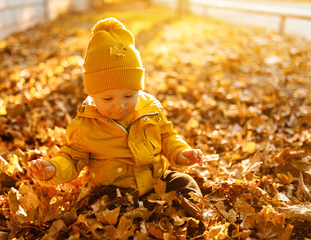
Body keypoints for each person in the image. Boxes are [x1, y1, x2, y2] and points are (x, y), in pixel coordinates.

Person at [27, 18, 203, 217]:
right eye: (108, 98)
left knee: (184, 182)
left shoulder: (150, 109)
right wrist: (53, 168)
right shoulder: (85, 126)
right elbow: (72, 156)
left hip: (155, 180)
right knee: (105, 206)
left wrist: (180, 152)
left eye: (129, 96)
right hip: (114, 189)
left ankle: (186, 213)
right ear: (92, 96)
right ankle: (143, 215)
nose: (119, 105)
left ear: (139, 89)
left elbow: (167, 136)